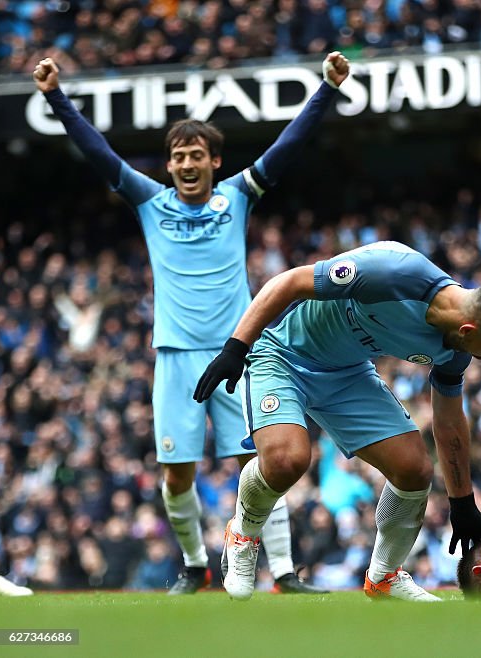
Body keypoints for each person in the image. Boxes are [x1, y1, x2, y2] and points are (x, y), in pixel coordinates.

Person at [32, 52, 353, 595]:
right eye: (178, 156)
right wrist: (56, 97)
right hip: (176, 358)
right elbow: (98, 152)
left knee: (266, 462)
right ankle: (195, 566)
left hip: (240, 351)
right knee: (177, 474)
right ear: (169, 165)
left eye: (196, 155)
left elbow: (287, 148)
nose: (185, 164)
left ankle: (283, 572)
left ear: (214, 162)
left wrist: (325, 89)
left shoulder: (237, 196)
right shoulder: (150, 202)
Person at [193, 241, 481, 601]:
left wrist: (462, 502)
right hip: (282, 355)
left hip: (348, 373)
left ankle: (384, 578)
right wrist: (235, 347)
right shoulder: (392, 273)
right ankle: (243, 533)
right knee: (287, 460)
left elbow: (450, 422)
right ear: (469, 330)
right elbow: (289, 282)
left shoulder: (455, 349)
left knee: (414, 469)